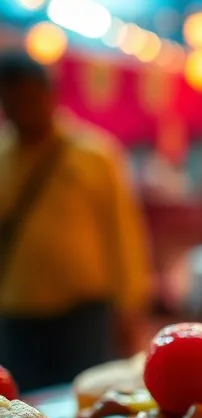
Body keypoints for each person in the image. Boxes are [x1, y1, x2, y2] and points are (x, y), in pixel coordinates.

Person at [0, 52, 152, 391]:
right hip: (17, 314)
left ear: (49, 95)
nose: (20, 109)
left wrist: (130, 305)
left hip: (84, 315)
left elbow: (122, 233)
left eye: (27, 98)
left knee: (86, 403)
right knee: (23, 411)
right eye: (11, 100)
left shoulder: (94, 154)